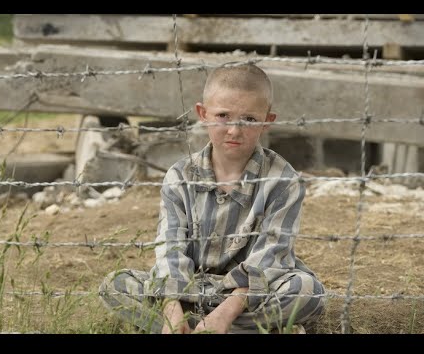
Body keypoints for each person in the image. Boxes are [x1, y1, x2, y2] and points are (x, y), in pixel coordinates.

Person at [99, 63, 326, 334]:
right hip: (188, 290)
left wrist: (225, 313)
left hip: (249, 294)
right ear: (202, 114)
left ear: (267, 121)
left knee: (308, 291)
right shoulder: (180, 176)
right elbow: (170, 247)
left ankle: (208, 328)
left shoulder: (283, 181)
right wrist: (172, 310)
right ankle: (243, 330)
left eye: (250, 119)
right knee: (116, 284)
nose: (234, 130)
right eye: (222, 116)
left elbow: (271, 256)